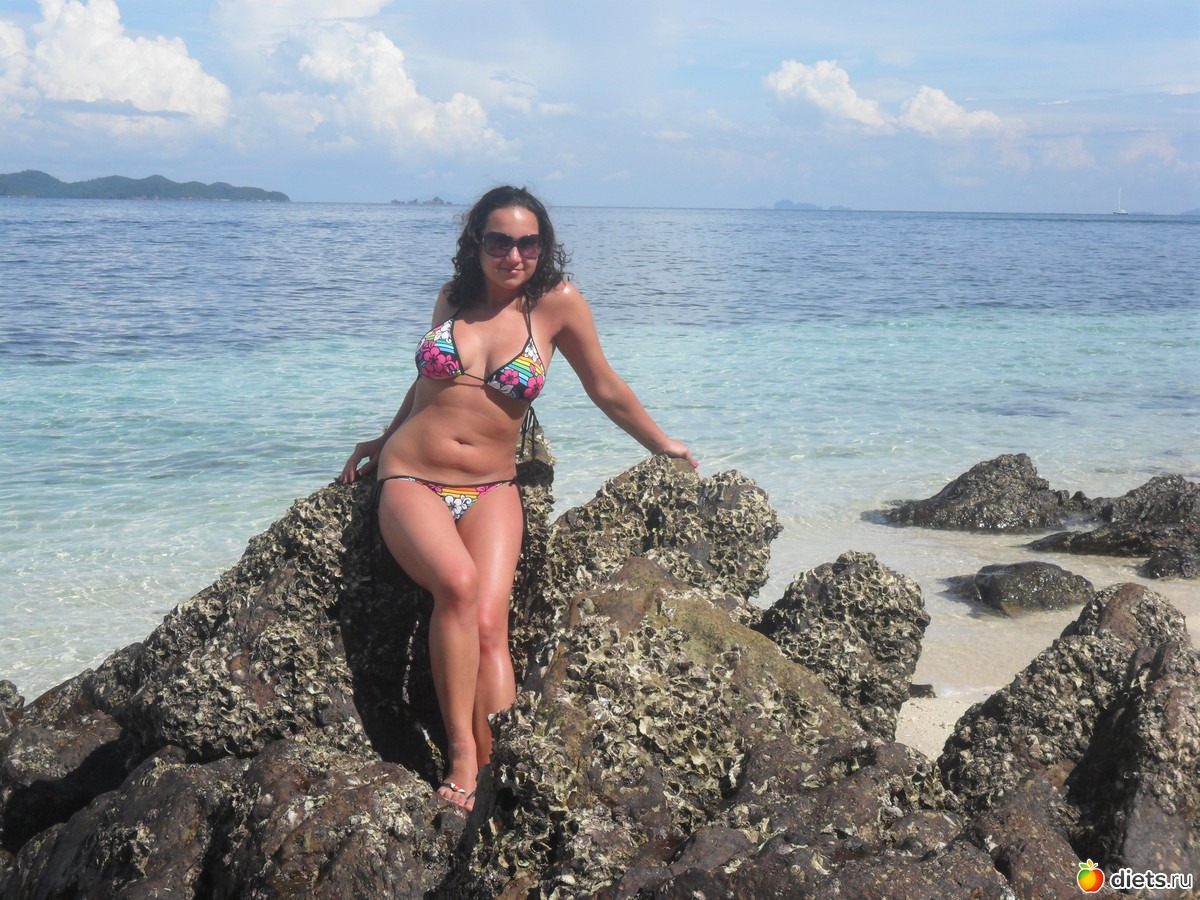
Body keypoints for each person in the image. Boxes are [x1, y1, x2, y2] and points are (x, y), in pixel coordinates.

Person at [340, 186, 697, 812]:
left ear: (543, 246)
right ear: (475, 243)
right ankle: (462, 759)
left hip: (493, 487)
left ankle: (500, 759)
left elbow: (605, 386)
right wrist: (382, 437)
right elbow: (425, 385)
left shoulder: (557, 306)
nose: (513, 255)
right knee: (456, 586)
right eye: (499, 241)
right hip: (412, 476)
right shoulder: (452, 299)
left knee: (489, 623)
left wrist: (661, 443)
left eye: (528, 243)